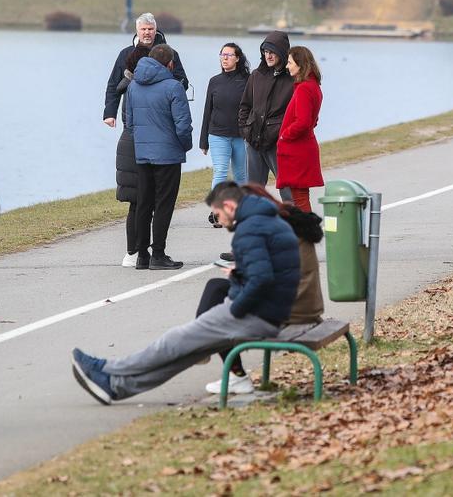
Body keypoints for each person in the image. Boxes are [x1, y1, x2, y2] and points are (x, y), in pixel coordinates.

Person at [69, 181, 300, 404]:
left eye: (217, 214)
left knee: (171, 342)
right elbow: (266, 273)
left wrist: (234, 310)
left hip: (255, 314)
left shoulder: (250, 228)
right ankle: (116, 387)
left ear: (229, 206)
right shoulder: (266, 220)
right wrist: (239, 277)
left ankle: (106, 368)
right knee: (184, 354)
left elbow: (261, 279)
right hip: (270, 312)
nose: (218, 220)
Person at [196, 183, 325, 395]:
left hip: (293, 307)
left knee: (219, 308)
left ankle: (221, 360)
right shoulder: (288, 220)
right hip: (305, 302)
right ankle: (212, 350)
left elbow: (266, 280)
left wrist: (240, 276)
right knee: (217, 289)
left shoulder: (276, 227)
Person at [124, 43, 192, 270]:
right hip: (168, 154)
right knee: (163, 204)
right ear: (170, 63)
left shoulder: (133, 86)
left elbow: (130, 122)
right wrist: (185, 146)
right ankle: (158, 254)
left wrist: (143, 142)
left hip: (143, 153)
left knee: (144, 203)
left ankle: (141, 255)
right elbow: (183, 125)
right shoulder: (174, 87)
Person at [103, 13, 188, 130]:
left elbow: (183, 83)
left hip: (161, 115)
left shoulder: (170, 54)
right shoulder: (126, 54)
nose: (147, 32)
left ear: (155, 30)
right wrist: (109, 113)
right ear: (137, 31)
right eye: (143, 29)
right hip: (132, 115)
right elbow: (113, 84)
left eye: (150, 29)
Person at [239, 31, 294, 202]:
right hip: (254, 140)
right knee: (253, 190)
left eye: (272, 52)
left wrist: (282, 134)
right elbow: (245, 105)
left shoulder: (292, 78)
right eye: (265, 51)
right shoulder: (257, 75)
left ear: (282, 53)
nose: (268, 56)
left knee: (287, 189)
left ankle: (294, 222)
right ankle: (255, 222)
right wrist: (245, 130)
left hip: (278, 142)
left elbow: (295, 112)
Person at [113, 45, 151, 268]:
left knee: (136, 204)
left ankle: (133, 250)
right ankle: (136, 250)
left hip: (127, 146)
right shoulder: (136, 89)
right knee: (140, 203)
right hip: (137, 147)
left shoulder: (129, 87)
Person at [277, 47, 325, 212]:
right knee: (300, 196)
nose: (287, 66)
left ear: (300, 64)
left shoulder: (304, 88)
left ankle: (306, 235)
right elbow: (314, 120)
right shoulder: (313, 86)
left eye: (290, 62)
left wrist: (284, 135)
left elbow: (304, 122)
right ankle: (303, 234)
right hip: (304, 147)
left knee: (299, 198)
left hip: (298, 150)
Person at [201, 43, 251, 188]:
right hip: (218, 135)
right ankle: (217, 209)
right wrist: (203, 141)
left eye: (229, 55)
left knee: (241, 175)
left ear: (237, 58)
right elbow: (207, 110)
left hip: (240, 136)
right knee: (220, 173)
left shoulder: (248, 80)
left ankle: (240, 208)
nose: (225, 58)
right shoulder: (214, 81)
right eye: (223, 55)